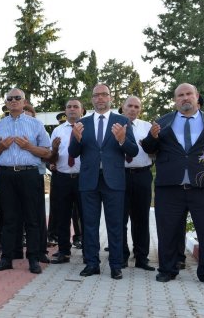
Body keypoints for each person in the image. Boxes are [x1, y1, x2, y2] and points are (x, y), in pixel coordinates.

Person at [142, 83, 204, 287]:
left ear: (197, 96)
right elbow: (148, 148)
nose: (185, 98)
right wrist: (152, 137)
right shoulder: (162, 123)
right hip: (170, 187)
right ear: (175, 100)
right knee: (167, 231)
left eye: (189, 94)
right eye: (180, 95)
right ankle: (167, 269)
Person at [68, 84, 138, 280]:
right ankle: (92, 264)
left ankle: (116, 265)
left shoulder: (122, 121)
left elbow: (133, 151)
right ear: (92, 99)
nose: (100, 98)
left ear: (110, 98)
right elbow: (73, 153)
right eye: (96, 95)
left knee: (115, 224)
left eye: (104, 95)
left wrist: (123, 139)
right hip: (89, 180)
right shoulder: (83, 122)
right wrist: (76, 139)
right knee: (89, 224)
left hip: (114, 181)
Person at [0, 88, 52, 275]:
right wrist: (1, 147)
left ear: (24, 102)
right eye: (10, 98)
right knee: (8, 218)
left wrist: (29, 146)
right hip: (6, 175)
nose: (14, 101)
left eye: (18, 98)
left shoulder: (36, 124)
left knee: (32, 218)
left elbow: (47, 152)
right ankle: (6, 258)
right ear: (6, 103)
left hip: (29, 174)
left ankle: (33, 258)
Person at [119, 96, 156, 271]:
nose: (133, 109)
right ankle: (121, 256)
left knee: (141, 218)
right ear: (122, 107)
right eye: (130, 106)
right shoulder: (115, 126)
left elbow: (156, 149)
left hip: (142, 175)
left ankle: (142, 258)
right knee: (120, 218)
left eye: (137, 106)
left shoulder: (148, 127)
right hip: (120, 176)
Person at [49, 99, 85, 264]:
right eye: (69, 107)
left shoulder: (88, 128)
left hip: (83, 178)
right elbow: (51, 158)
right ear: (65, 110)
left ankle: (89, 251)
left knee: (86, 216)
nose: (72, 109)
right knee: (62, 216)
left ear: (82, 110)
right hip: (62, 178)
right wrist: (54, 150)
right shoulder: (57, 130)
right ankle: (64, 251)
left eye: (75, 107)